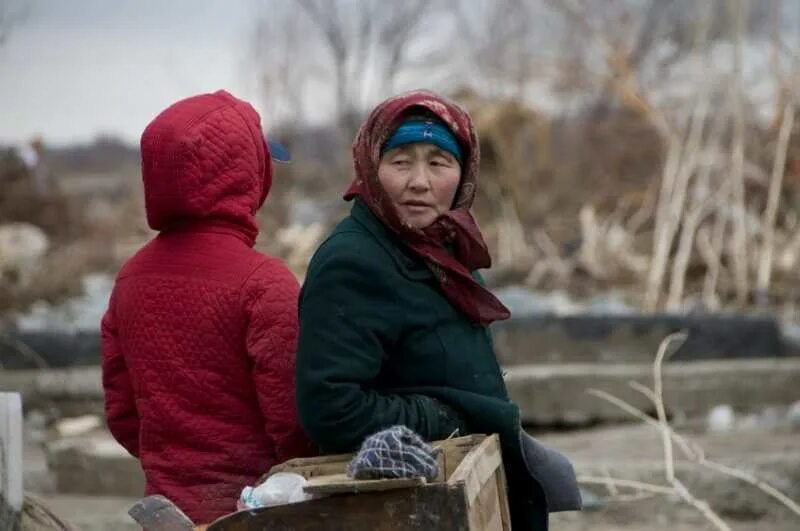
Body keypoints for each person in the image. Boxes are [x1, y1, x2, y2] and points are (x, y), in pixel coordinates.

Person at [296, 89, 580, 529]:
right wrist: (447, 419)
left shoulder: (443, 248)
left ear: (463, 172)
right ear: (371, 167)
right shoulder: (353, 261)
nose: (420, 182)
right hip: (407, 504)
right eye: (401, 161)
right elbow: (332, 407)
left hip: (461, 490)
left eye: (438, 162)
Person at [101, 90, 315, 524]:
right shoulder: (263, 282)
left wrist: (172, 467)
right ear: (247, 176)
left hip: (165, 514)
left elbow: (122, 413)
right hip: (254, 512)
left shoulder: (130, 279)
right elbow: (294, 421)